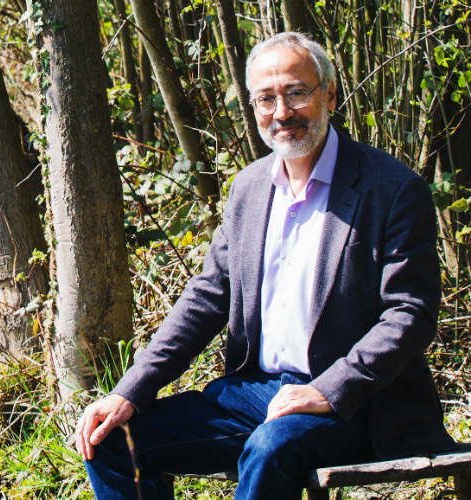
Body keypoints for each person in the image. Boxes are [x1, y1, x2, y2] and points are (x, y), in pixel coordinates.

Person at [73, 31, 457, 500]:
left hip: (360, 404)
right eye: (266, 99)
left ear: (329, 94)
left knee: (270, 447)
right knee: (111, 439)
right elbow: (206, 298)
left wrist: (331, 388)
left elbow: (409, 314)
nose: (282, 113)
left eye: (296, 93)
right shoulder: (249, 189)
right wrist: (129, 390)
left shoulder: (391, 188)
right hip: (256, 393)